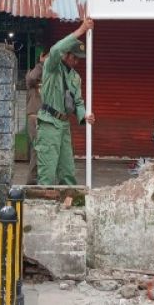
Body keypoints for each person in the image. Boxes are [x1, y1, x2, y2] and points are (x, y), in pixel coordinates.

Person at [36, 18, 95, 185]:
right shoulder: (52, 67)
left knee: (67, 170)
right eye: (74, 57)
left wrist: (85, 116)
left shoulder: (75, 77)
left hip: (64, 125)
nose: (76, 61)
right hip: (49, 123)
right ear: (66, 54)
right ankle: (45, 198)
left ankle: (69, 198)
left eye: (79, 59)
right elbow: (55, 49)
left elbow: (78, 102)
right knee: (47, 171)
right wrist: (81, 30)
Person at [24, 48, 49, 185]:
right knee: (37, 150)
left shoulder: (49, 74)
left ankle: (40, 179)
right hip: (35, 118)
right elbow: (32, 79)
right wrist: (41, 63)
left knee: (44, 150)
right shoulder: (32, 75)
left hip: (46, 118)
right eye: (48, 57)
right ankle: (32, 181)